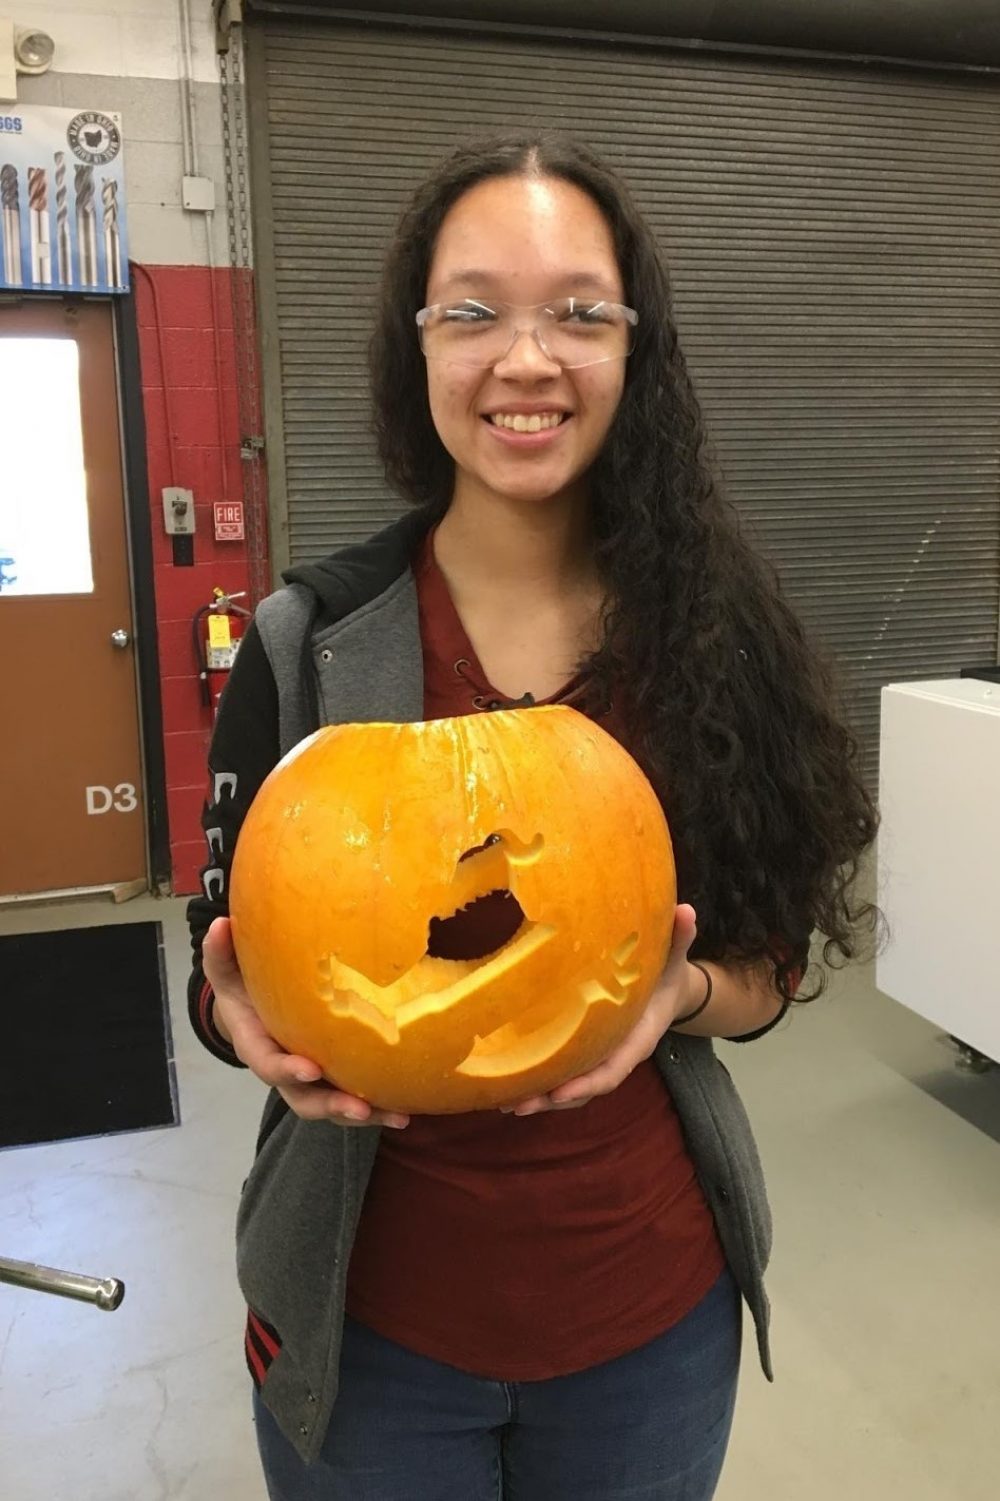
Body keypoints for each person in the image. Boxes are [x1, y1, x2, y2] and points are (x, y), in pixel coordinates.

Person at [186, 133, 880, 1501]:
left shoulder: (714, 637)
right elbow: (228, 949)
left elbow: (770, 966)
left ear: (636, 350)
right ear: (416, 344)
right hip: (369, 1326)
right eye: (473, 310)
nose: (526, 357)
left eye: (579, 311)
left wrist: (675, 989)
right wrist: (238, 1022)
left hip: (645, 1313)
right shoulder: (301, 644)